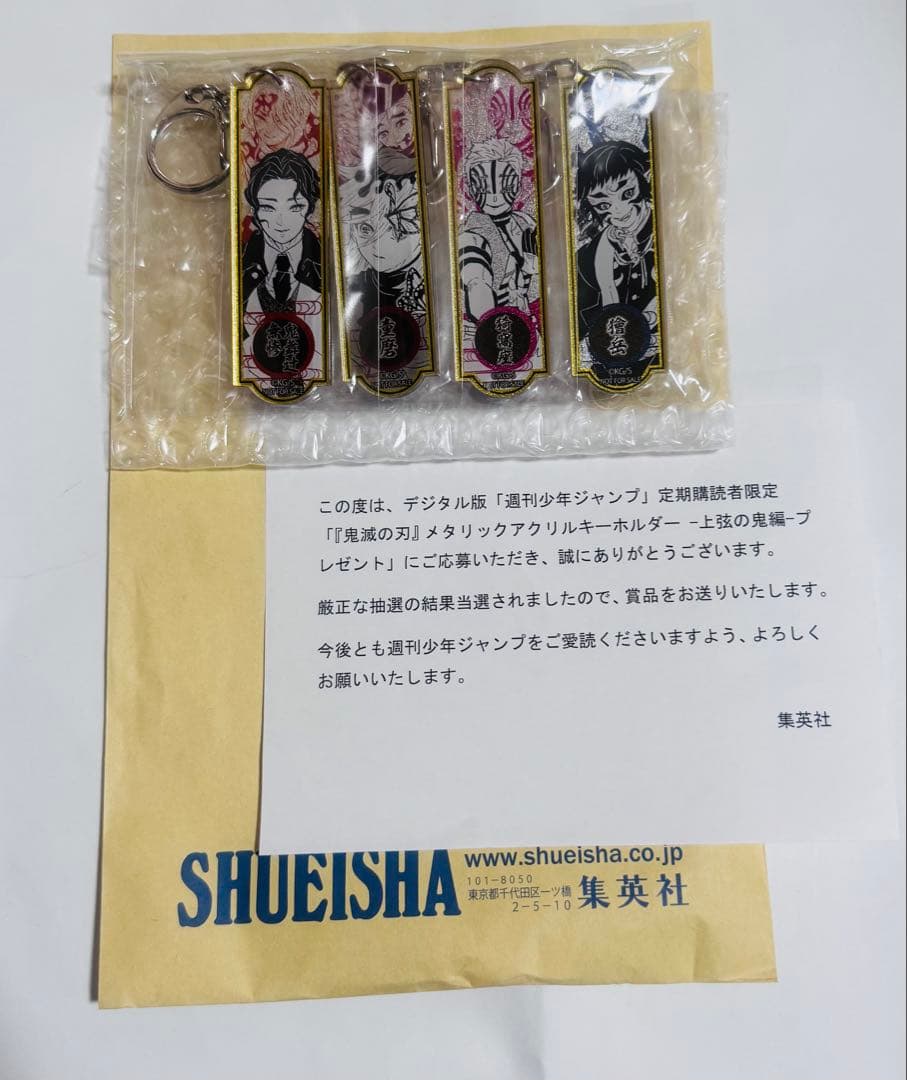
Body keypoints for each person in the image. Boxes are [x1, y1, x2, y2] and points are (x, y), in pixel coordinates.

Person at [574, 140, 655, 341]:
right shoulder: (588, 257)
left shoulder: (668, 236)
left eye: (628, 193)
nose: (618, 210)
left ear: (645, 179)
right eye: (603, 205)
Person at [457, 138, 538, 323]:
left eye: (505, 185)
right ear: (471, 188)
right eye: (483, 185)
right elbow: (477, 283)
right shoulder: (473, 234)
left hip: (528, 322)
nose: (494, 197)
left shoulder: (524, 223)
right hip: (493, 328)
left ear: (518, 185)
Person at [343, 147, 426, 319]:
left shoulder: (436, 283)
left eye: (395, 227)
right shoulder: (356, 286)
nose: (379, 245)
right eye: (365, 229)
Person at [241, 148, 322, 320]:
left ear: (310, 209)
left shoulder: (326, 262)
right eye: (268, 207)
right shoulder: (240, 260)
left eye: (295, 207)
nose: (281, 222)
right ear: (254, 210)